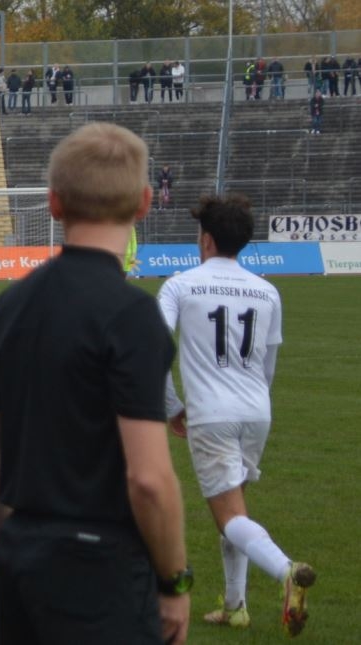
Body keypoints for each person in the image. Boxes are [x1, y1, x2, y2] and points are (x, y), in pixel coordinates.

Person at [0, 123, 191, 645]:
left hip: (21, 556)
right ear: (144, 203)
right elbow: (149, 478)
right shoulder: (132, 315)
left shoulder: (9, 306)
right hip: (104, 566)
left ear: (54, 203)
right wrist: (174, 581)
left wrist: (17, 545)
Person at [158, 195, 316, 635]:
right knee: (237, 512)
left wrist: (171, 405)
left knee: (228, 517)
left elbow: (153, 346)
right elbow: (268, 364)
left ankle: (287, 570)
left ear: (206, 239)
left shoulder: (180, 285)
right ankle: (235, 607)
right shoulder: (267, 290)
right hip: (256, 411)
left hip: (212, 413)